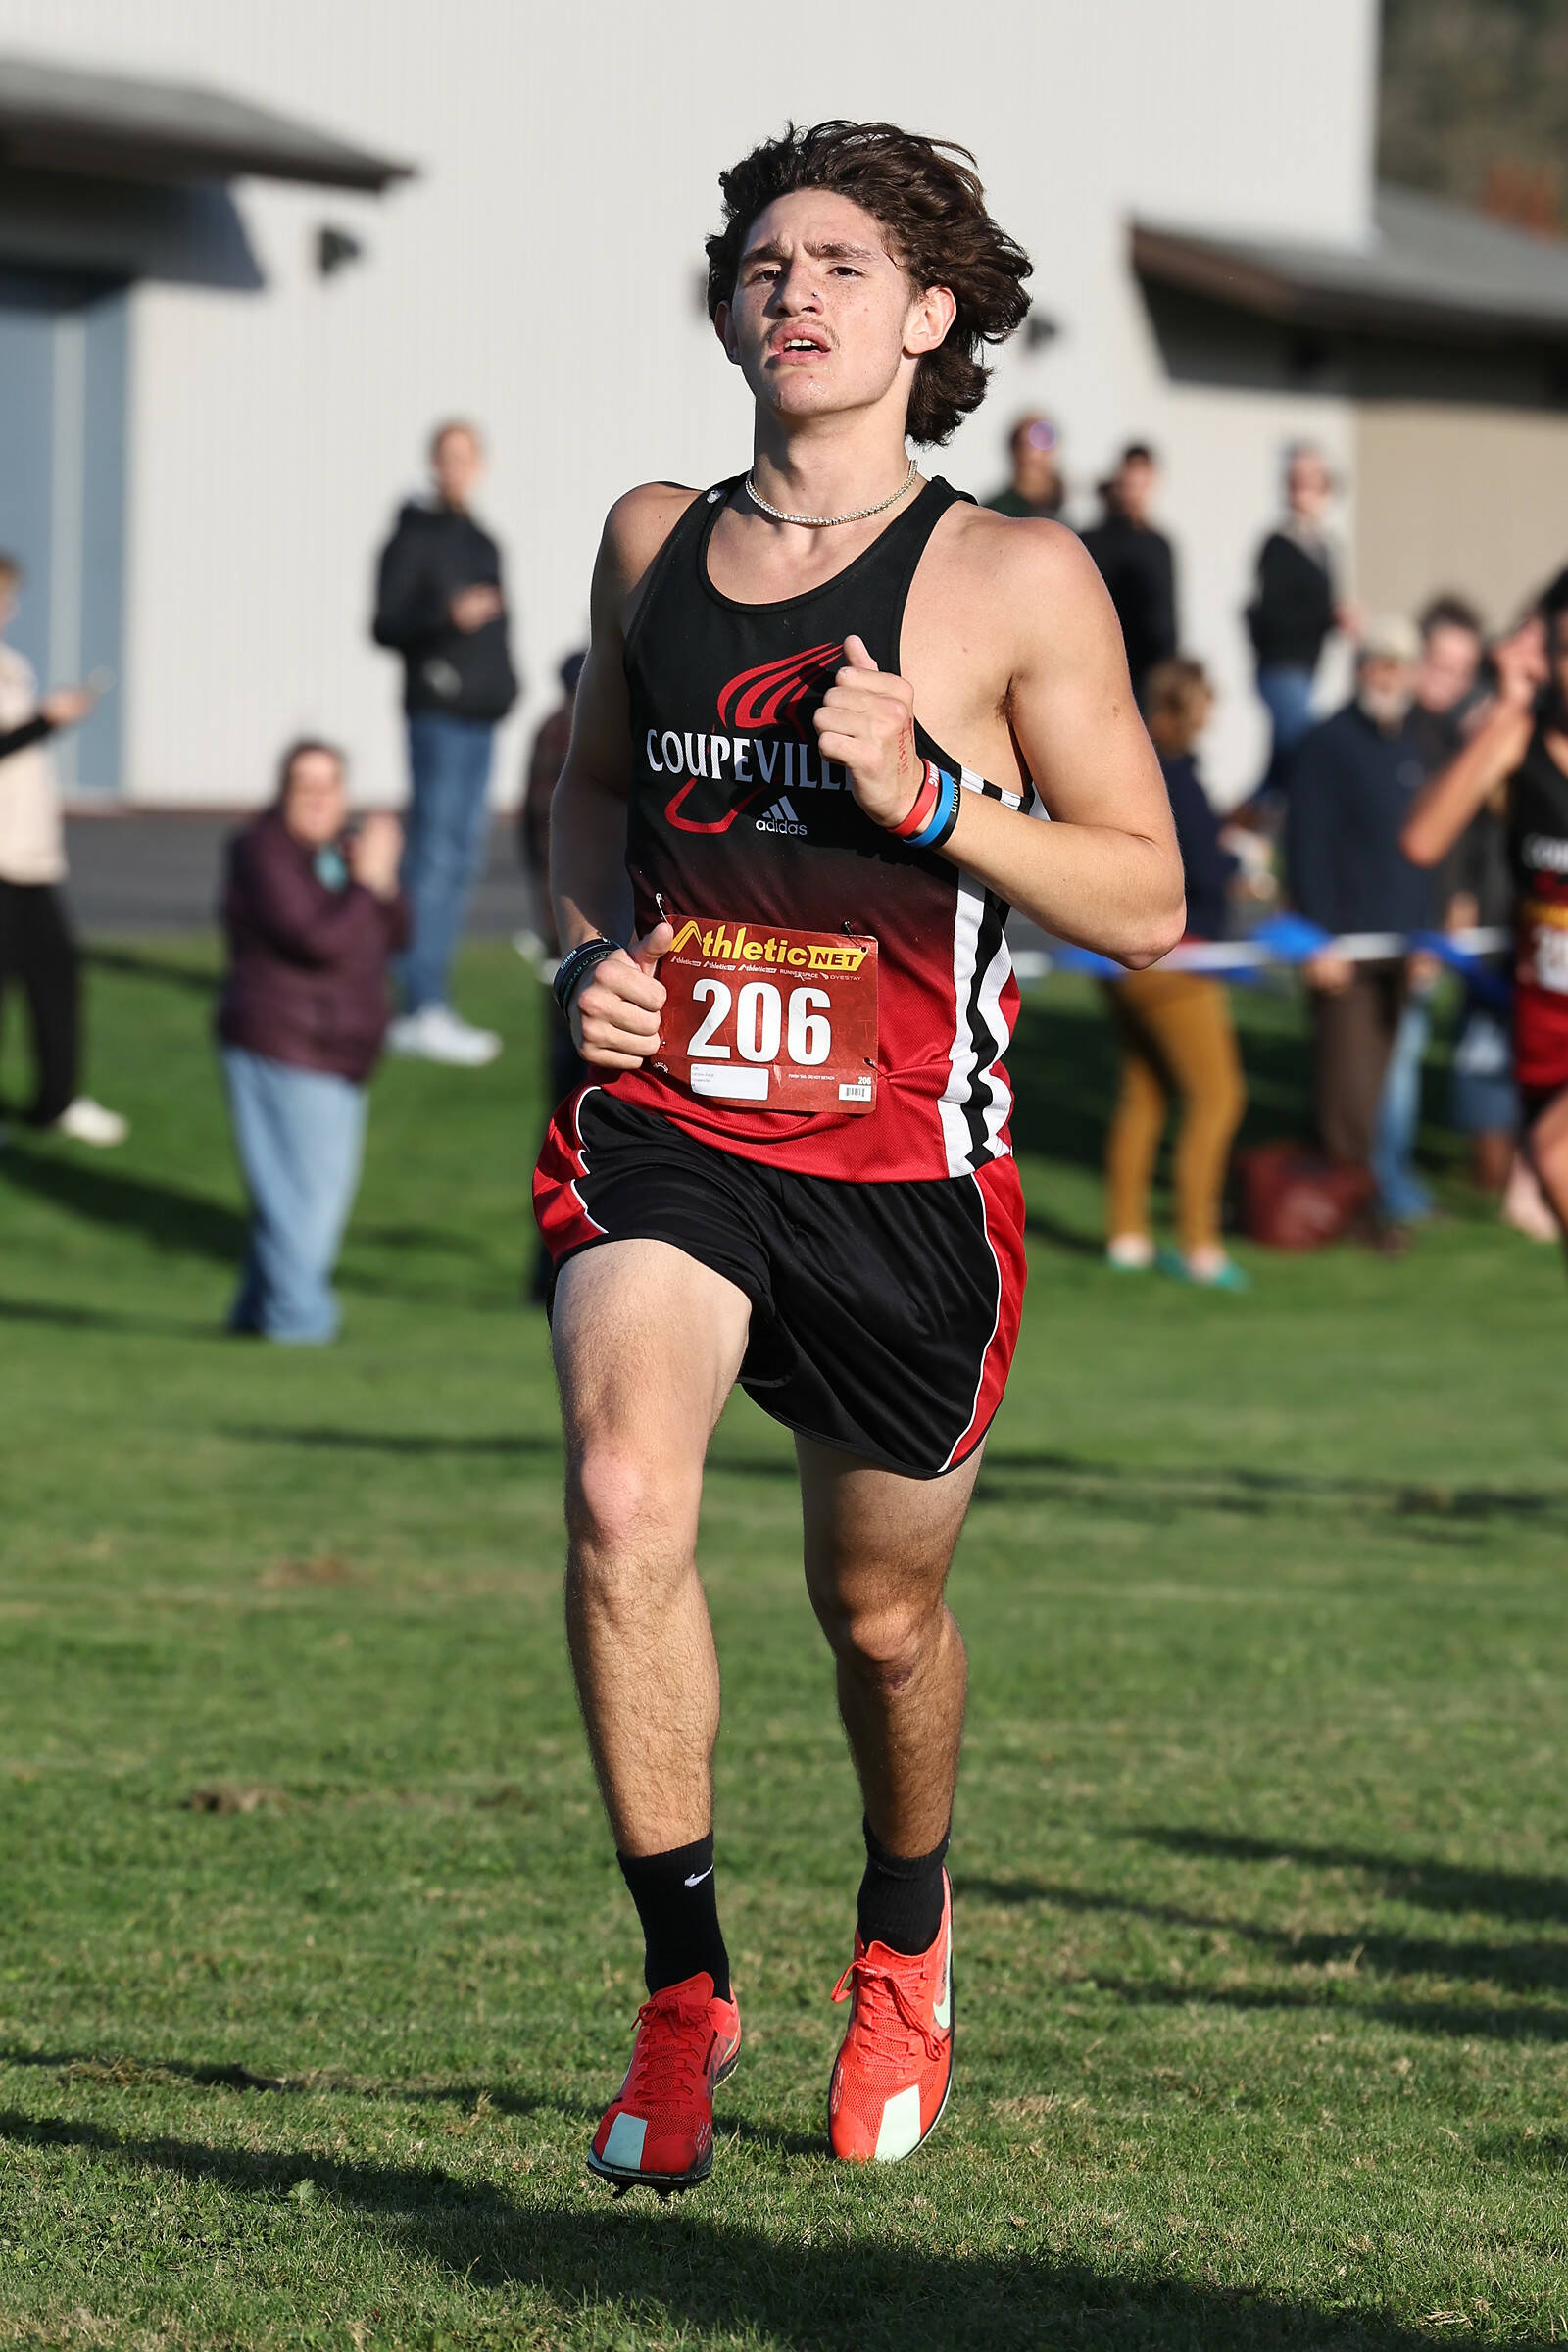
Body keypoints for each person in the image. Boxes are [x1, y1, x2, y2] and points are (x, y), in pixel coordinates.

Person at [532, 118, 1184, 2196]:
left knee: (876, 1615)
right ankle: (679, 1991)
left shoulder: (1012, 578)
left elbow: (1146, 900)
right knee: (625, 1493)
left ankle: (902, 1937)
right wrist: (587, 970)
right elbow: (576, 807)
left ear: (928, 318)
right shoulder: (647, 541)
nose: (789, 289)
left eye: (838, 263)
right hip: (677, 1129)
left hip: (908, 1181)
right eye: (762, 260)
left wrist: (924, 807)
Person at [217, 741, 407, 1342]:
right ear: (283, 790)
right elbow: (313, 938)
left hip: (339, 1050)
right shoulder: (262, 851)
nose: (319, 796)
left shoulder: (337, 856)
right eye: (305, 783)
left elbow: (398, 933)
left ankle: (257, 1314)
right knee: (306, 1203)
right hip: (287, 1042)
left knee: (299, 1196)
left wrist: (377, 879)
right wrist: (367, 885)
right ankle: (299, 1324)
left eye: (331, 783)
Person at [1403, 573, 1568, 1250]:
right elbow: (1422, 839)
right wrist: (1507, 702)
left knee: (1556, 1158)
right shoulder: (1519, 737)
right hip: (1545, 1031)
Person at [372, 420, 516, 1067]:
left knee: (459, 860)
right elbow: (384, 624)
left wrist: (506, 686)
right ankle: (418, 1004)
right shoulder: (411, 538)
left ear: (479, 465)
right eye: (447, 457)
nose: (457, 468)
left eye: (468, 457)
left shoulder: (484, 542)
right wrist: (444, 618)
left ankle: (427, 996)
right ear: (434, 462)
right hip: (436, 716)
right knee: (431, 858)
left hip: (481, 716)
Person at [1287, 616, 1433, 1250]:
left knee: (1375, 1093)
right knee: (1346, 1089)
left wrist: (1427, 935)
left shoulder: (1411, 747)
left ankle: (1355, 1203)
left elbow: (1418, 850)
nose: (1388, 676)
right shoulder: (1327, 743)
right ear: (1361, 667)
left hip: (1400, 950)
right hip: (1344, 950)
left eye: (1400, 665)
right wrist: (1318, 939)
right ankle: (1353, 1215)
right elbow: (1306, 846)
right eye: (1379, 663)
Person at [1103, 660, 1247, 1289]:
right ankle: (1200, 1245)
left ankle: (1127, 1236)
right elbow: (1201, 871)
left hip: (1119, 956)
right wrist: (1232, 863)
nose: (1211, 717)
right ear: (1183, 710)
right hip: (1176, 957)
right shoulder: (1178, 777)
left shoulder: (1126, 768)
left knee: (1147, 1093)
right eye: (1205, 704)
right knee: (1218, 1098)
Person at [0, 552, 126, 1148]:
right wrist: (46, 722)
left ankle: (57, 1101)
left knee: (57, 979)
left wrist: (53, 717)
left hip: (31, 857)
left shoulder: (14, 668)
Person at [1371, 596, 1487, 1224]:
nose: (1449, 681)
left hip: (1433, 927)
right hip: (1389, 928)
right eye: (1440, 665)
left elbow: (1461, 844)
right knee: (1391, 1064)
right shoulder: (1395, 733)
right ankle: (1385, 1182)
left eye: (1462, 670)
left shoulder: (1454, 739)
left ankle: (1391, 1175)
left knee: (1404, 1057)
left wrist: (1460, 904)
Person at [518, 650, 589, 1301]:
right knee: (586, 1100)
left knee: (562, 1104)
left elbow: (527, 832)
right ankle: (567, 1258)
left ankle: (550, 1263)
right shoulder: (584, 732)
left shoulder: (547, 730)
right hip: (593, 943)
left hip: (558, 940)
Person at [1246, 442, 1353, 803]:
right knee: (1300, 756)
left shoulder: (1325, 547)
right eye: (1296, 480)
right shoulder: (1278, 545)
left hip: (1307, 666)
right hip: (1282, 666)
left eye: (1312, 481)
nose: (1303, 489)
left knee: (1279, 770)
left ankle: (1237, 830)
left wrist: (1338, 618)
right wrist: (1328, 616)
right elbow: (1272, 614)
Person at [1079, 444, 1177, 706]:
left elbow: (1167, 616)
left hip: (1148, 673)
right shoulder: (1094, 540)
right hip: (1101, 667)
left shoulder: (1159, 545)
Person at [984, 414, 1066, 521]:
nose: (1030, 452)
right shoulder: (994, 512)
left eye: (1043, 440)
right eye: (1022, 443)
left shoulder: (1075, 503)